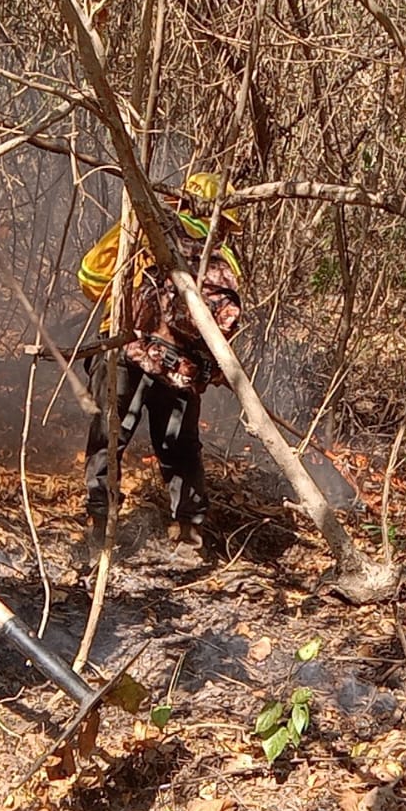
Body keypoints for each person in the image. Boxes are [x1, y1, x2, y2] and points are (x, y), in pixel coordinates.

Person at [77, 172, 243, 562]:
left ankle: (100, 532)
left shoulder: (142, 232)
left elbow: (91, 277)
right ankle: (189, 537)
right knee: (180, 448)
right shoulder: (225, 258)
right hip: (183, 368)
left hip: (125, 348)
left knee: (109, 435)